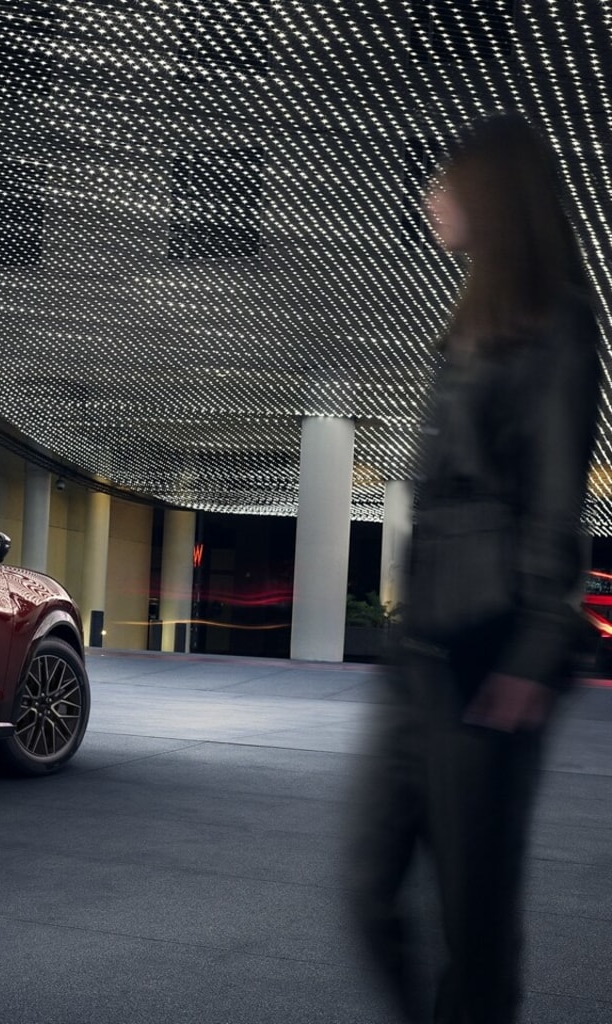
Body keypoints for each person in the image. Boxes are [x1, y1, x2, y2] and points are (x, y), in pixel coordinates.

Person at [348, 112, 601, 1024]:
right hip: (424, 648)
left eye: (449, 182)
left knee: (475, 922)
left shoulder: (558, 326)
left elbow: (552, 505)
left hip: (490, 653)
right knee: (370, 891)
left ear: (491, 198)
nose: (432, 197)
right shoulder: (469, 322)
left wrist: (531, 656)